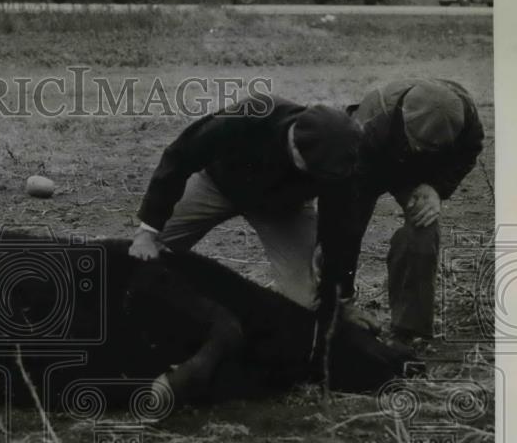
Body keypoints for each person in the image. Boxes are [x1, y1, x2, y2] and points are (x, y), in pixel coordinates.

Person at [129, 97, 367, 324]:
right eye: (313, 171)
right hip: (217, 186)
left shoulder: (338, 163)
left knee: (303, 303)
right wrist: (147, 231)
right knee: (145, 254)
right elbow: (180, 156)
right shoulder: (253, 113)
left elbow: (341, 232)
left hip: (283, 210)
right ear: (295, 146)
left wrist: (341, 298)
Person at [342, 78, 485, 344]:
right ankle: (339, 307)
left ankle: (409, 328)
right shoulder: (369, 124)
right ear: (404, 116)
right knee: (344, 231)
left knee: (424, 228)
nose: (420, 148)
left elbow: (470, 150)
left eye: (429, 147)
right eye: (417, 142)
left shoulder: (467, 119)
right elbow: (347, 210)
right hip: (371, 161)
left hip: (420, 174)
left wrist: (436, 187)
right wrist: (342, 298)